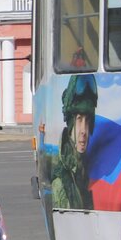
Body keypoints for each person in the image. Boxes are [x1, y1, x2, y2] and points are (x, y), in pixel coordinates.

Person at [49, 73, 97, 210]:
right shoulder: (61, 181)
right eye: (79, 120)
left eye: (87, 121)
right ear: (70, 125)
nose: (84, 130)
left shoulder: (84, 170)